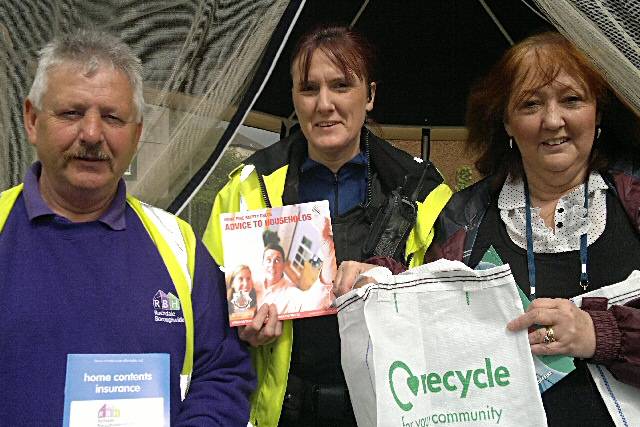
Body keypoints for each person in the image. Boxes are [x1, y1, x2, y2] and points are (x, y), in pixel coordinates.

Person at [0, 29, 255, 425]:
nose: (91, 134)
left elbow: (223, 373)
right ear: (32, 120)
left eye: (113, 117)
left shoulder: (179, 247)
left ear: (136, 136)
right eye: (71, 113)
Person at [203, 25, 451, 427]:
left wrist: (394, 283)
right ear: (295, 100)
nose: (324, 104)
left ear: (369, 96)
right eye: (308, 89)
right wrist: (239, 330)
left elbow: (451, 311)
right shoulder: (247, 188)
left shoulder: (423, 193)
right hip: (284, 411)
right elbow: (206, 311)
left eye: (340, 85)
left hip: (393, 407)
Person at [428, 32, 640, 426]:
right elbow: (431, 336)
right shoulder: (462, 219)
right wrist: (378, 276)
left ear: (598, 113)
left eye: (572, 99)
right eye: (530, 104)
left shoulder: (635, 203)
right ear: (506, 122)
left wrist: (600, 334)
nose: (553, 120)